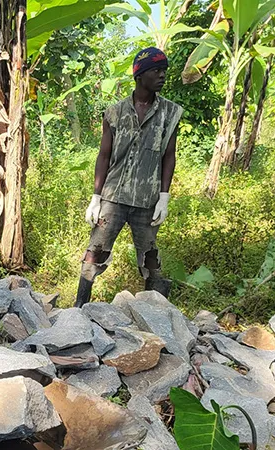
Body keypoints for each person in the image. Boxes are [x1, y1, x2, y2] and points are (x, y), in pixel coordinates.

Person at [76, 47, 183, 307]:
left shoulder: (170, 113)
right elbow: (103, 156)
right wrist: (96, 196)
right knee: (94, 253)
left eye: (164, 71)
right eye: (156, 71)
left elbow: (169, 156)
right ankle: (78, 308)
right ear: (140, 75)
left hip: (147, 201)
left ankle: (156, 315)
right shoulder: (114, 112)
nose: (162, 76)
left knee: (150, 260)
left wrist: (164, 197)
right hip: (114, 197)